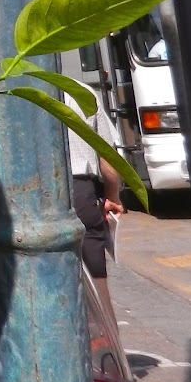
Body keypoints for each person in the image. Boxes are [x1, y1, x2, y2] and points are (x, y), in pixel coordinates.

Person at [65, 97, 125, 329]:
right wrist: (113, 197)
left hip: (33, 195)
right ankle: (110, 354)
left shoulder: (8, 92)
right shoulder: (80, 93)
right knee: (97, 280)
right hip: (82, 193)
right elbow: (107, 156)